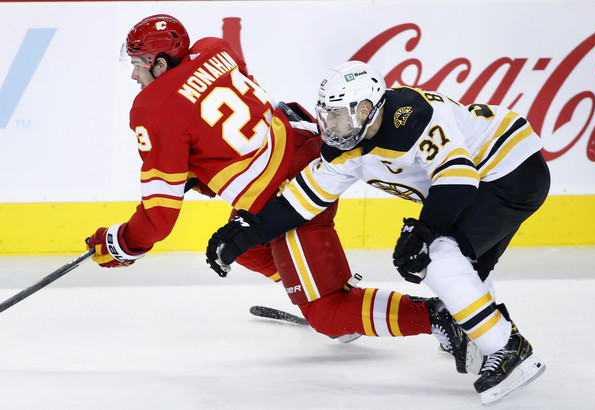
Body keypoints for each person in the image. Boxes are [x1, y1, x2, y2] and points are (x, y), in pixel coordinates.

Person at [85, 15, 478, 376]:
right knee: (245, 247)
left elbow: (159, 218)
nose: (134, 75)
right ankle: (315, 279)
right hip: (305, 147)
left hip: (287, 199)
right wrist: (201, 170)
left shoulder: (151, 108)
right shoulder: (213, 49)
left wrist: (120, 244)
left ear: (160, 63)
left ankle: (434, 317)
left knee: (326, 314)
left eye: (139, 64)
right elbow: (243, 112)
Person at [206, 60, 550, 405]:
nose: (331, 124)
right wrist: (243, 232)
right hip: (489, 178)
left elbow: (458, 180)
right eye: (327, 114)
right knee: (462, 269)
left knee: (437, 256)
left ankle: (509, 349)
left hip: (510, 172)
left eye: (338, 114)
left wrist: (424, 232)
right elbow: (301, 201)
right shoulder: (347, 146)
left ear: (366, 109)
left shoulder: (411, 118)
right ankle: (476, 331)